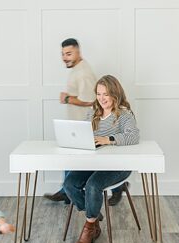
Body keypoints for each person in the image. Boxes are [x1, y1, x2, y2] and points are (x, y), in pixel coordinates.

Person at [44, 38, 129, 206]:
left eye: (69, 53)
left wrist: (67, 98)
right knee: (71, 157)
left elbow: (91, 100)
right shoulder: (76, 69)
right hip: (78, 124)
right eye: (63, 54)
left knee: (78, 159)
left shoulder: (84, 73)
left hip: (87, 126)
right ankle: (67, 191)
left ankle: (116, 187)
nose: (65, 57)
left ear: (78, 52)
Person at [64, 75, 140, 243]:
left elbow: (133, 136)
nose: (102, 98)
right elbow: (82, 131)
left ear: (115, 93)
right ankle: (94, 214)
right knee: (69, 183)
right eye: (99, 94)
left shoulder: (124, 114)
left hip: (118, 166)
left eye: (106, 94)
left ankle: (90, 228)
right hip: (94, 162)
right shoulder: (93, 111)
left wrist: (108, 139)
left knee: (92, 186)